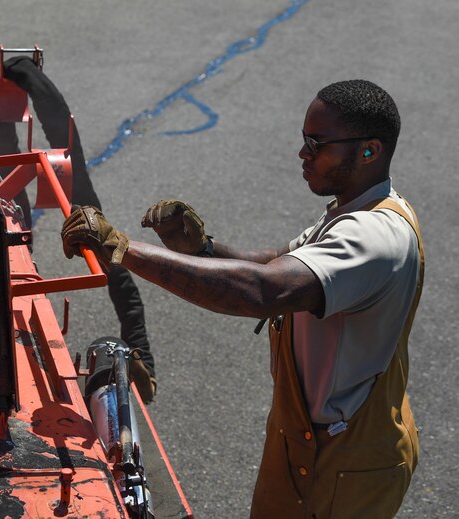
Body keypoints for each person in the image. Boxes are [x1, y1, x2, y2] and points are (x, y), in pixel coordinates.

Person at [61, 79, 423, 518]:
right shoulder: (354, 209)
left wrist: (123, 249)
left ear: (369, 151)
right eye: (303, 139)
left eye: (317, 143)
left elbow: (265, 290)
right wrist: (204, 249)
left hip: (344, 458)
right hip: (309, 437)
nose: (303, 153)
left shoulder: (374, 236)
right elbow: (279, 261)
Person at [0, 56, 156, 402]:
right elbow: (65, 138)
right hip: (22, 76)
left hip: (17, 79)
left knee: (9, 209)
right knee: (106, 250)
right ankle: (142, 354)